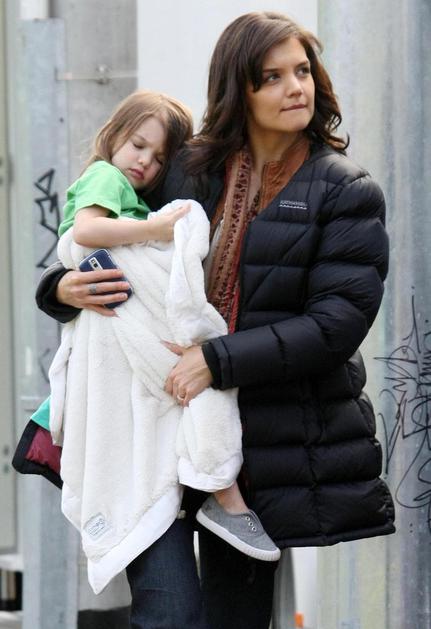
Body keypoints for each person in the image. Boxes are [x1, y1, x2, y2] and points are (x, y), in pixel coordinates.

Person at [35, 11, 395, 629]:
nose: (295, 88)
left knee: (236, 615)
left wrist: (214, 360)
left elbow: (336, 325)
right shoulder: (190, 170)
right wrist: (60, 289)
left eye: (302, 71)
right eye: (272, 77)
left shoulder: (344, 190)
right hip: (152, 429)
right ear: (238, 88)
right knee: (168, 611)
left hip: (260, 446)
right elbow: (108, 239)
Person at [32, 88, 280, 586]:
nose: (145, 161)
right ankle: (224, 491)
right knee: (189, 378)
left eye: (159, 157)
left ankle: (222, 490)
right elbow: (85, 236)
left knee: (189, 377)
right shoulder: (106, 178)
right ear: (112, 137)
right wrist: (161, 230)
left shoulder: (138, 191)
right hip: (127, 323)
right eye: (137, 145)